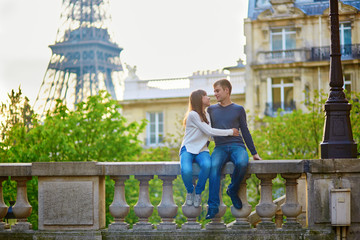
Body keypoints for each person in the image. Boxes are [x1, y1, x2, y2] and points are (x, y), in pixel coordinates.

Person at [205, 79, 262, 219]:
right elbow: (206, 132)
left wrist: (254, 153)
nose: (215, 94)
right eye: (214, 91)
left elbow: (245, 131)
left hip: (237, 145)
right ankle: (212, 206)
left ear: (227, 90)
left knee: (242, 163)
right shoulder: (211, 110)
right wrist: (201, 151)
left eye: (217, 91)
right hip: (220, 147)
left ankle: (232, 189)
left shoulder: (238, 109)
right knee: (214, 167)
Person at [180, 89, 239, 208]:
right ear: (199, 99)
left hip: (202, 150)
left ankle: (198, 192)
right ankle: (190, 191)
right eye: (205, 96)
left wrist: (231, 140)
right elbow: (209, 130)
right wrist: (230, 132)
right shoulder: (193, 115)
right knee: (186, 170)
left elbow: (210, 136)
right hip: (188, 148)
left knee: (207, 166)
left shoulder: (207, 115)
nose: (209, 98)